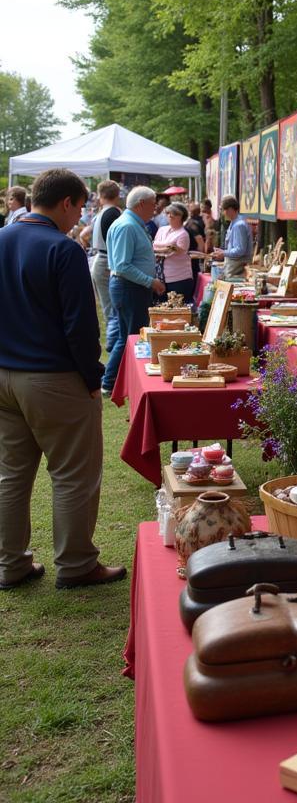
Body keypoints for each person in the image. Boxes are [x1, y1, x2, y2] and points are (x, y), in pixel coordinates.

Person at [0, 168, 126, 590]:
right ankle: (75, 564)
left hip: (5, 375)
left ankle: (11, 564)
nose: (80, 219)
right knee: (73, 473)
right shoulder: (63, 248)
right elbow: (80, 326)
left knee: (11, 475)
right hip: (52, 376)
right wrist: (94, 376)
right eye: (79, 208)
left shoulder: (3, 238)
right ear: (68, 202)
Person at [102, 186, 166, 395]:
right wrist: (150, 281)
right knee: (130, 338)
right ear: (141, 204)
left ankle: (114, 381)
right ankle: (110, 381)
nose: (155, 208)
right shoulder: (128, 226)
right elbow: (122, 265)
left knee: (128, 337)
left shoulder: (131, 224)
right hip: (130, 288)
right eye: (152, 204)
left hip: (131, 287)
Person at [89, 180, 122, 353]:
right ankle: (112, 345)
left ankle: (113, 343)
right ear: (118, 194)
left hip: (101, 259)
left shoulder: (102, 213)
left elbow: (85, 233)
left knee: (110, 308)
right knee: (112, 309)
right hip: (106, 262)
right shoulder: (113, 213)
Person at [153, 203, 195, 303]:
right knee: (161, 310)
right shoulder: (162, 229)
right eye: (168, 213)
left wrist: (159, 247)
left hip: (179, 278)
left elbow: (173, 251)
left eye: (175, 213)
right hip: (160, 278)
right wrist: (168, 247)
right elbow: (154, 246)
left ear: (182, 217)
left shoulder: (183, 234)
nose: (170, 215)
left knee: (178, 311)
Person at [213, 196, 252, 279]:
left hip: (238, 268)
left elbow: (240, 250)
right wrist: (222, 251)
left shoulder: (239, 225)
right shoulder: (234, 223)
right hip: (233, 266)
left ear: (230, 209)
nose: (223, 213)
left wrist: (224, 253)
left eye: (223, 210)